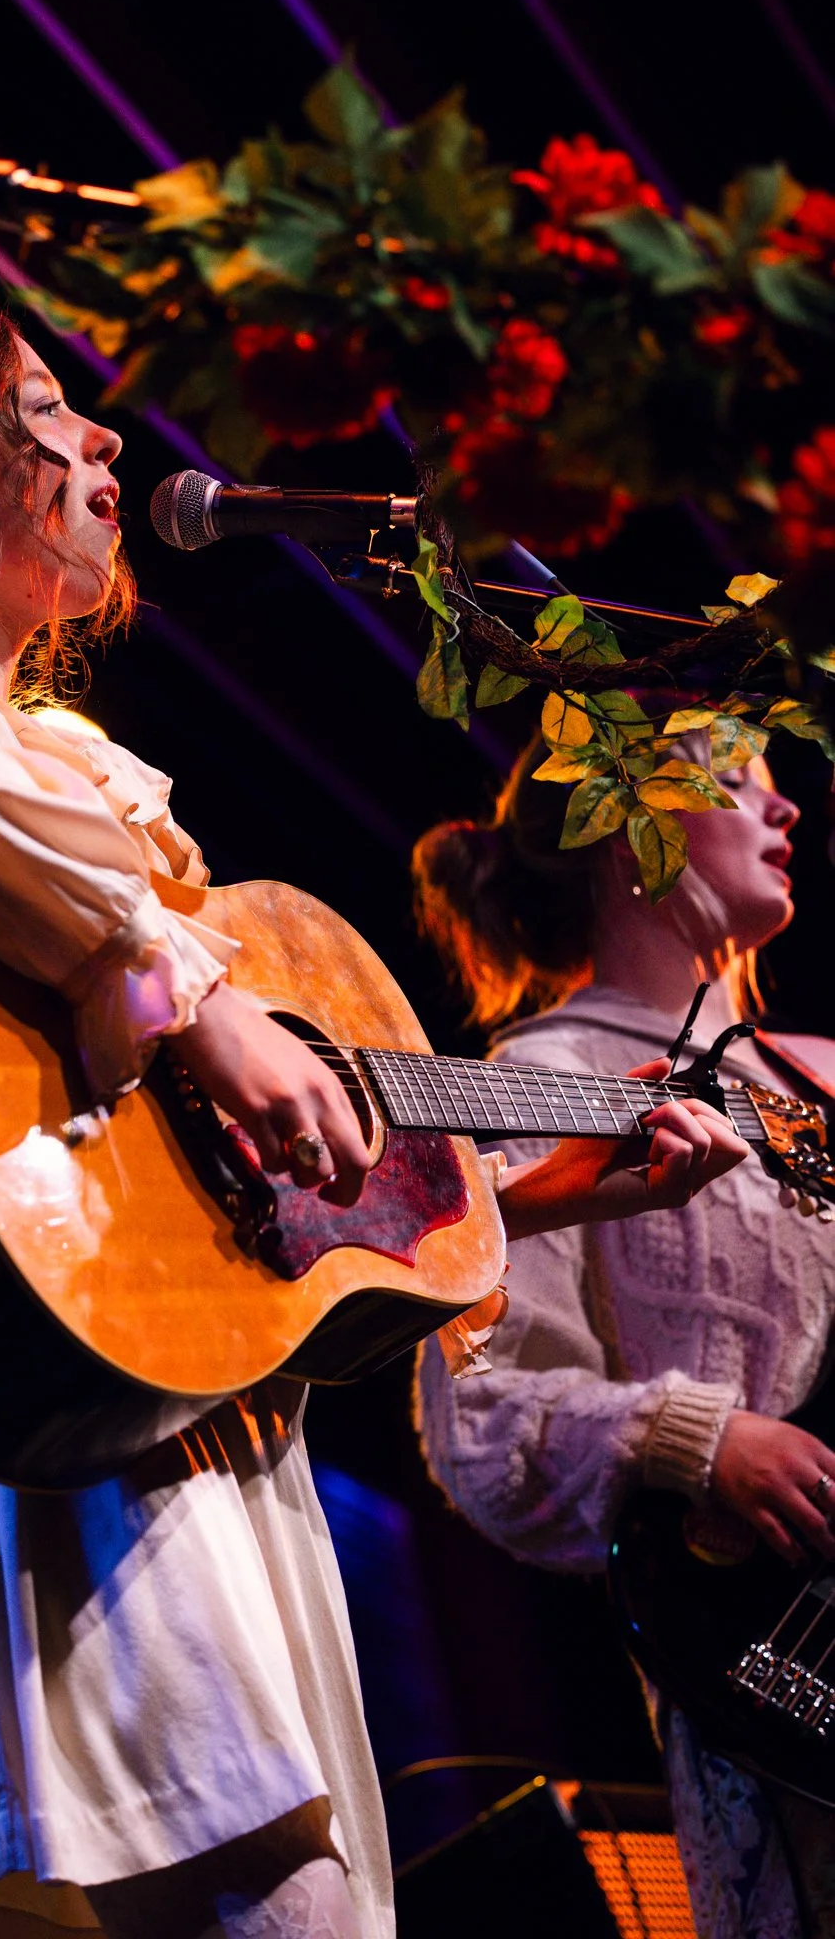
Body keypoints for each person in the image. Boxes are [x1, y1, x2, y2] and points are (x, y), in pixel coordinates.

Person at [0, 285, 748, 1939]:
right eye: (40, 407)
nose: (102, 434)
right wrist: (193, 993)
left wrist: (533, 1192)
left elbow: (232, 1223)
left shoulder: (49, 758)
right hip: (62, 1481)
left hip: (160, 1426)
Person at [413, 735, 835, 1938]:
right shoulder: (541, 1077)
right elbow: (482, 1421)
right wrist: (704, 1438)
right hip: (784, 1679)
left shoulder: (822, 1076)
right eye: (731, 775)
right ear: (623, 831)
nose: (783, 798)